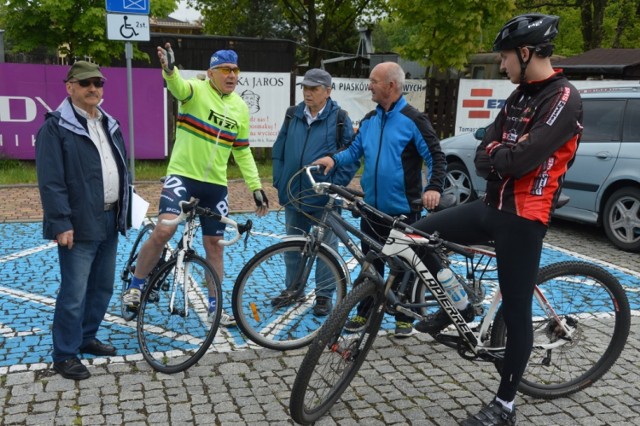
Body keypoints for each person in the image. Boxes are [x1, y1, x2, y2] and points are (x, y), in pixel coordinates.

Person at [411, 14, 582, 425]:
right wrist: (503, 155)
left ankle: (505, 406)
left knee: (516, 310)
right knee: (415, 236)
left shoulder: (563, 97)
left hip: (524, 216)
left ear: (526, 53)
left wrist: (503, 155)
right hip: (491, 204)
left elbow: (521, 157)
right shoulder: (518, 97)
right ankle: (462, 303)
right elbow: (486, 152)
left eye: (505, 56)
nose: (501, 65)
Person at [122, 43, 269, 326]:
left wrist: (256, 186)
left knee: (215, 246)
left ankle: (215, 307)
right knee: (165, 228)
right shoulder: (196, 91)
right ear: (210, 73)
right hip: (183, 176)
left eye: (235, 70)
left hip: (215, 185)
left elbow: (241, 151)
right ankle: (136, 285)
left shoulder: (240, 107)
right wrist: (169, 70)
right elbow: (177, 87)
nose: (232, 75)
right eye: (225, 70)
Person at [314, 61, 447, 337]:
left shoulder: (414, 120)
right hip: (371, 209)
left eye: (374, 81)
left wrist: (434, 187)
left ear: (391, 85)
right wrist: (332, 159)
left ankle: (404, 317)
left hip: (403, 210)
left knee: (405, 266)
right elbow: (352, 151)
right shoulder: (370, 120)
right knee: (369, 264)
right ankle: (364, 313)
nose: (369, 85)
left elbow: (435, 156)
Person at [35, 61, 131, 380]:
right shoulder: (55, 127)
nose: (94, 89)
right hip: (78, 223)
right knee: (74, 291)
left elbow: (121, 169)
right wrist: (61, 222)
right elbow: (51, 181)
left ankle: (86, 336)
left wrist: (125, 210)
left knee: (101, 287)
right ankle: (64, 353)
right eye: (86, 83)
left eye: (98, 83)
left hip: (109, 218)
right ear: (70, 87)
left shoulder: (109, 123)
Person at [271, 68, 358, 316]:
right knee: (292, 248)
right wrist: (279, 180)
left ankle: (323, 296)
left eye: (314, 89)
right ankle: (293, 290)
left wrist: (334, 186)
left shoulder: (340, 118)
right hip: (294, 194)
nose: (308, 93)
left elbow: (350, 159)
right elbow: (279, 150)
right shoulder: (293, 114)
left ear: (328, 91)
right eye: (305, 88)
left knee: (326, 250)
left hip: (324, 199)